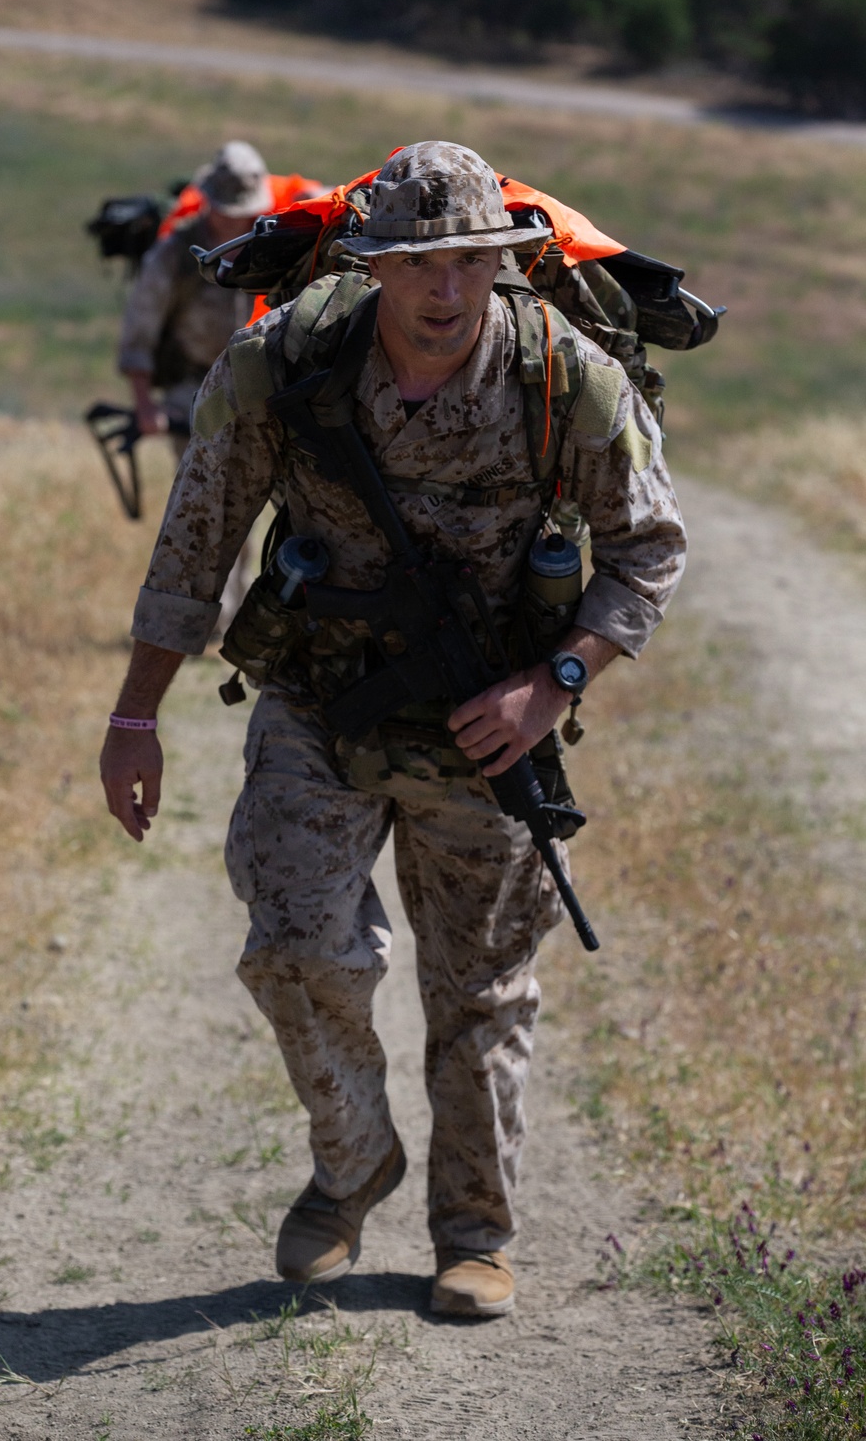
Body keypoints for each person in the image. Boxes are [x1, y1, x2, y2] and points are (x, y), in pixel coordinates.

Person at [100, 143, 687, 1318]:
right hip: (318, 698)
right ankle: (353, 1155)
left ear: (504, 265)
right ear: (371, 267)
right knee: (294, 948)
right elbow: (195, 539)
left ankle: (474, 1234)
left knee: (478, 992)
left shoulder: (561, 380)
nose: (446, 289)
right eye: (419, 263)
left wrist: (556, 682)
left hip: (490, 725)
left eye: (472, 261)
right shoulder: (285, 366)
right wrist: (134, 712)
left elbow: (649, 551)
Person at [118, 140, 267, 626]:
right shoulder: (174, 255)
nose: (234, 221)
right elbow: (138, 333)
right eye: (227, 212)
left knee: (245, 506)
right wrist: (146, 405)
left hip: (256, 390)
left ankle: (235, 612)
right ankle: (195, 615)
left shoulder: (270, 247)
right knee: (204, 505)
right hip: (191, 389)